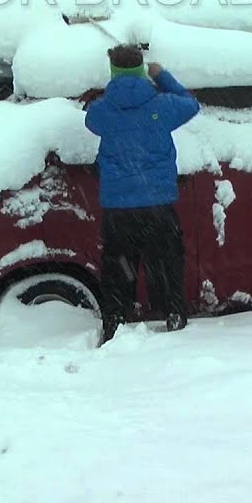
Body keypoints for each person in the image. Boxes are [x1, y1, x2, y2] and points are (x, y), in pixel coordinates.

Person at [84, 45, 200, 346]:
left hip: (118, 207)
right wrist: (161, 76)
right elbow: (191, 104)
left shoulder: (101, 111)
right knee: (166, 261)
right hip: (158, 203)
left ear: (113, 73)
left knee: (118, 267)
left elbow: (90, 121)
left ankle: (116, 321)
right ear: (140, 70)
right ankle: (173, 313)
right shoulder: (162, 106)